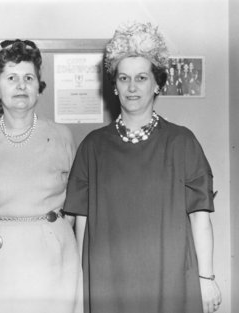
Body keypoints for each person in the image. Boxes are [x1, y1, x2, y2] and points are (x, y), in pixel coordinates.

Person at [64, 22, 222, 313]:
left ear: (157, 83)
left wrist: (207, 277)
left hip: (171, 279)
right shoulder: (93, 147)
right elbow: (82, 225)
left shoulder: (182, 142)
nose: (132, 87)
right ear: (114, 85)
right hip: (108, 282)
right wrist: (81, 284)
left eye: (141, 77)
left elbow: (201, 218)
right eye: (124, 78)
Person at [0, 39, 83, 313]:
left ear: (38, 87)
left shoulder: (62, 136)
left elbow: (78, 207)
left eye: (29, 77)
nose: (21, 86)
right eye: (11, 77)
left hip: (54, 256)